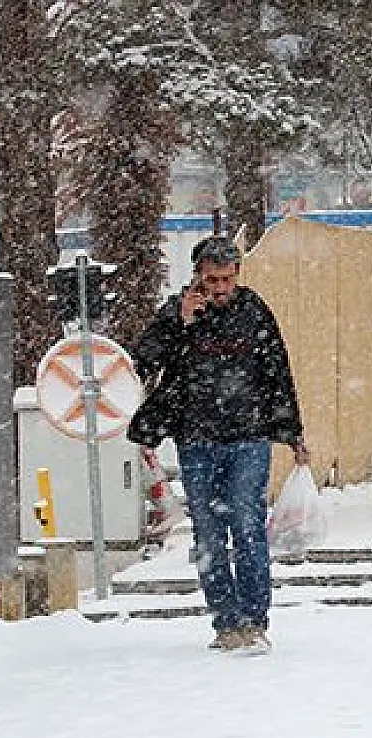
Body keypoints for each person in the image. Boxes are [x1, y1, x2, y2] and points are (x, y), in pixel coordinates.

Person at [128, 235, 310, 654]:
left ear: (238, 275)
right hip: (196, 439)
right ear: (198, 276)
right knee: (209, 534)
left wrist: (292, 432)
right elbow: (143, 361)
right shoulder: (178, 312)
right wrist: (179, 322)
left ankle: (254, 618)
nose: (221, 288)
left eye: (228, 279)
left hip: (248, 436)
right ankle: (225, 621)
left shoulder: (254, 312)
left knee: (247, 526)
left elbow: (277, 371)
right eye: (213, 280)